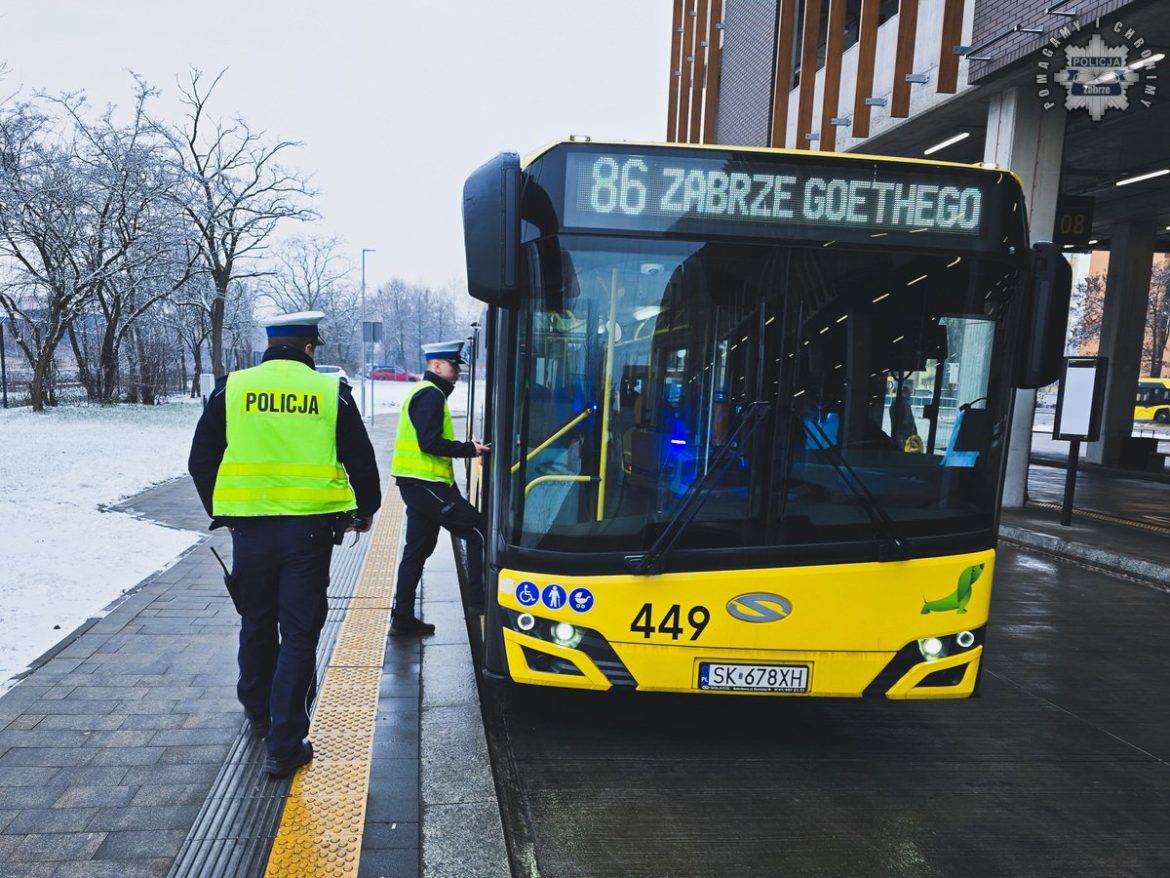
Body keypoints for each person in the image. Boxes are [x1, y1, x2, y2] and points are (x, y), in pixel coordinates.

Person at [188, 310, 381, 778]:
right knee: (298, 632)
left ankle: (257, 711)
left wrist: (226, 513)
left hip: (249, 533)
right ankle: (285, 743)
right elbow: (360, 458)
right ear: (310, 348)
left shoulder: (231, 389)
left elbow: (201, 460)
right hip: (308, 535)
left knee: (256, 619)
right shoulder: (329, 393)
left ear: (272, 344)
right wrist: (365, 511)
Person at [390, 340, 489, 635]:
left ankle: (403, 618)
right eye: (453, 365)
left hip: (421, 485)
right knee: (479, 531)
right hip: (426, 484)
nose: (458, 371)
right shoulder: (430, 395)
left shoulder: (428, 393)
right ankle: (481, 602)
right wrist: (469, 449)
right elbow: (430, 442)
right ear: (435, 366)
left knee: (417, 551)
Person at [890, 380, 919, 451]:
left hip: (896, 434)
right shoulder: (905, 405)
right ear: (905, 393)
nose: (910, 396)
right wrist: (913, 432)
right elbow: (907, 421)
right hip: (905, 436)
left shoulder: (894, 404)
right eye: (909, 394)